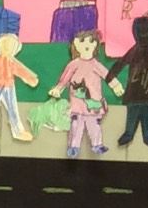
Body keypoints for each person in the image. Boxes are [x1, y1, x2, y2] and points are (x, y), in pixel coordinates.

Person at [50, 28, 120, 158]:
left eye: (91, 41)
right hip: (77, 104)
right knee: (76, 125)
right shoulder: (73, 64)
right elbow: (64, 79)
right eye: (82, 41)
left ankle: (97, 144)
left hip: (93, 103)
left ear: (95, 45)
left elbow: (107, 75)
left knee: (94, 125)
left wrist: (116, 86)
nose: (87, 44)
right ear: (76, 44)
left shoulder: (96, 64)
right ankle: (73, 147)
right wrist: (58, 89)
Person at [104, 16, 148, 148]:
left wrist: (110, 76)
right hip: (146, 92)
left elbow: (120, 63)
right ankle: (142, 136)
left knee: (140, 115)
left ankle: (141, 136)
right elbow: (121, 63)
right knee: (141, 115)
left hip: (139, 92)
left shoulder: (146, 50)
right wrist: (110, 76)